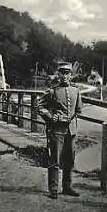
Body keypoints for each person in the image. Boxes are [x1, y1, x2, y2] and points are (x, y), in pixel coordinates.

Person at [37, 61, 83, 199]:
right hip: (57, 130)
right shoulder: (52, 91)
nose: (64, 76)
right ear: (58, 74)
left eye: (67, 73)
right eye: (62, 73)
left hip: (71, 131)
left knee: (70, 159)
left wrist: (71, 117)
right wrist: (51, 116)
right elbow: (39, 106)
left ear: (71, 75)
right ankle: (54, 189)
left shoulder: (76, 91)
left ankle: (67, 186)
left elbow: (78, 110)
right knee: (55, 159)